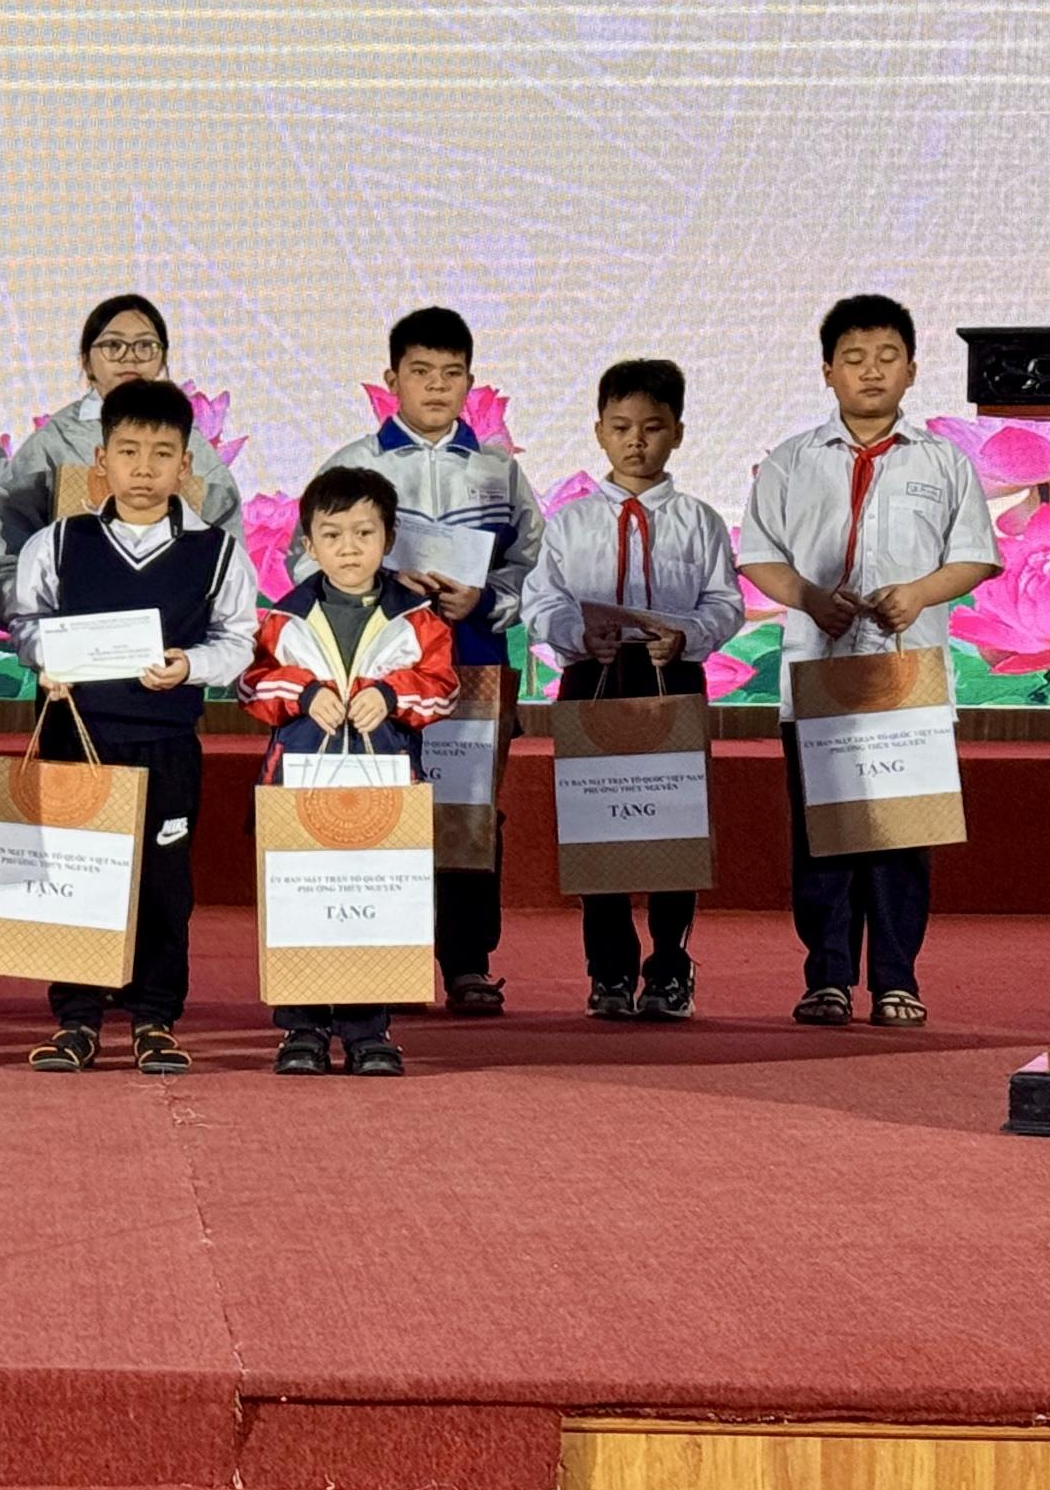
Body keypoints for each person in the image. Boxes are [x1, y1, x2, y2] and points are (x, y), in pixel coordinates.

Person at [739, 294, 999, 1030]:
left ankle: (896, 979)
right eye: (854, 359)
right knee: (822, 835)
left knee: (902, 836)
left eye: (888, 357)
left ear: (912, 368)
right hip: (819, 672)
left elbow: (975, 555)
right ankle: (825, 978)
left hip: (906, 675)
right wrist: (810, 598)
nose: (872, 371)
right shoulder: (791, 461)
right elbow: (758, 555)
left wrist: (917, 594)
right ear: (828, 371)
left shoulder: (943, 461)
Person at [0, 377, 255, 1074]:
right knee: (76, 877)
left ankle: (154, 1018)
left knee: (163, 885)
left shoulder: (216, 551)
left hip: (165, 741)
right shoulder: (58, 543)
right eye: (129, 451)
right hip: (77, 735)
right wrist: (47, 658)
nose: (144, 469)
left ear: (186, 466)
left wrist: (191, 665)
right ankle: (77, 1019)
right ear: (101, 460)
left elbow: (238, 640)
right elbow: (25, 623)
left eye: (162, 454)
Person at [320, 309, 541, 1017]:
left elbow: (536, 565)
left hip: (473, 664)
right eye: (421, 372)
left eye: (452, 374)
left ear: (471, 382)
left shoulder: (499, 470)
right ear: (392, 380)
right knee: (386, 806)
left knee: (468, 812)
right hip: (377, 673)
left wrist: (488, 597)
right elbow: (306, 560)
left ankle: (469, 963)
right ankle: (387, 959)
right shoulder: (355, 466)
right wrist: (381, 581)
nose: (437, 386)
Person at [522, 358, 743, 1021]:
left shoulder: (699, 521)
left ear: (678, 432)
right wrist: (572, 632)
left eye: (652, 427)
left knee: (674, 826)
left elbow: (726, 603)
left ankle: (670, 968)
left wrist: (688, 634)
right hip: (592, 676)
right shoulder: (569, 524)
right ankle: (610, 970)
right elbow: (541, 601)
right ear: (599, 432)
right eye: (620, 427)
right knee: (598, 824)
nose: (636, 441)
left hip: (670, 675)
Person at [239, 466, 458, 1078]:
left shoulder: (419, 618)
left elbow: (442, 689)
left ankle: (368, 1030)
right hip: (297, 788)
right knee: (302, 903)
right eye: (332, 535)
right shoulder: (282, 617)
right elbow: (253, 686)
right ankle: (302, 1028)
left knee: (374, 903)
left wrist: (390, 695)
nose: (349, 548)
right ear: (309, 544)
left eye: (365, 533)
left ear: (389, 538)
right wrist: (303, 693)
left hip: (382, 787)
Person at [0, 294, 244, 579]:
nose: (129, 356)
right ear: (86, 361)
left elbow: (226, 539)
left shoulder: (192, 445)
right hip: (73, 601)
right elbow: (6, 532)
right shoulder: (54, 441)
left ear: (162, 359)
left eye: (145, 346)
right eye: (113, 345)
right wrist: (30, 596)